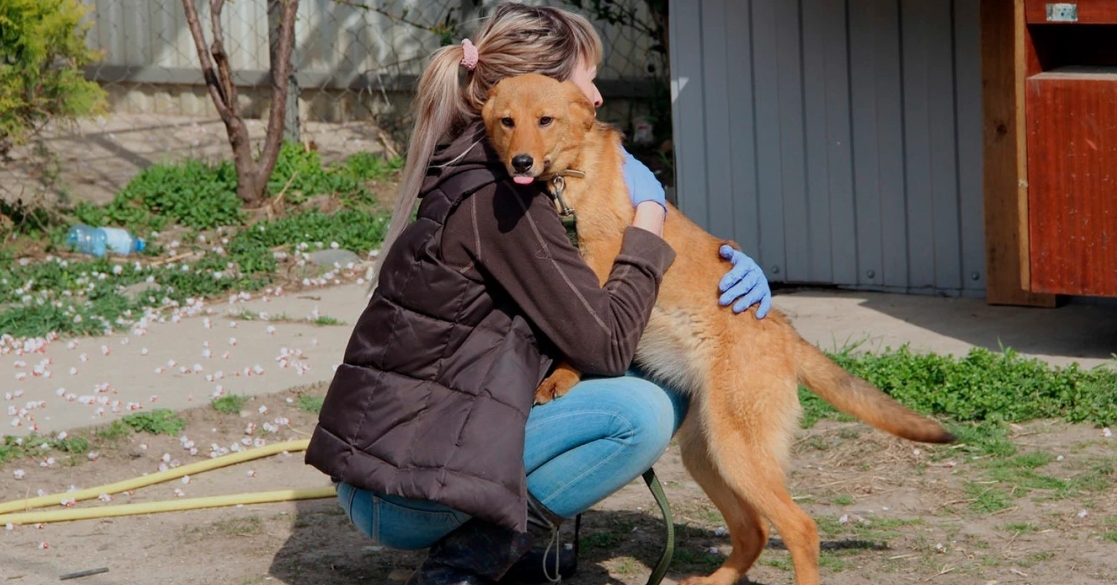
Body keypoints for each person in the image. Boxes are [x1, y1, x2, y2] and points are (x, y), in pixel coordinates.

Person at [304, 4, 772, 584]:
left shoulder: (503, 171)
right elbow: (604, 345)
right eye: (585, 81)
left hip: (407, 459)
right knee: (641, 412)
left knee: (667, 380)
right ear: (527, 97)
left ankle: (501, 543)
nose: (597, 97)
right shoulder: (502, 204)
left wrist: (713, 260)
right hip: (398, 489)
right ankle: (467, 563)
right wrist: (649, 224)